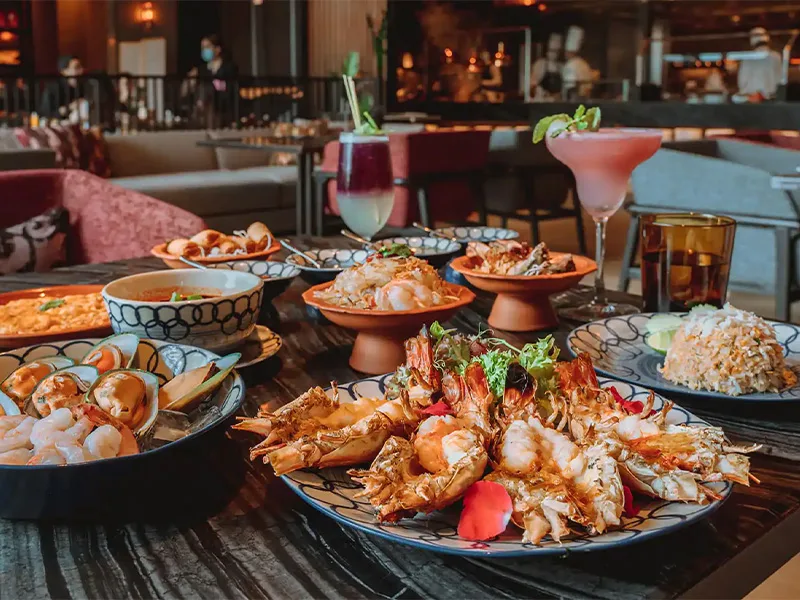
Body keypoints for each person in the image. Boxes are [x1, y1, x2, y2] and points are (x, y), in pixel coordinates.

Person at [183, 34, 239, 127]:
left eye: (207, 47)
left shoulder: (229, 67)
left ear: (217, 49)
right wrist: (190, 79)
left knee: (208, 88)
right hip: (205, 107)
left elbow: (230, 87)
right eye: (203, 48)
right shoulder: (201, 69)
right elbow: (187, 90)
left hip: (222, 104)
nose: (205, 50)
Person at [737, 27, 782, 101]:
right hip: (772, 98)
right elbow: (779, 79)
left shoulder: (747, 57)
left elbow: (742, 81)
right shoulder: (776, 56)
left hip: (752, 98)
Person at [40, 55, 85, 120]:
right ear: (64, 71)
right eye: (76, 67)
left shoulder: (82, 86)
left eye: (80, 67)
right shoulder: (52, 88)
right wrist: (69, 107)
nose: (81, 71)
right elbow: (45, 114)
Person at [562, 26, 593, 100]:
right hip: (585, 102)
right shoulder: (584, 64)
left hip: (574, 102)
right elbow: (589, 88)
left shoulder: (570, 64)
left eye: (566, 52)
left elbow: (571, 88)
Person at [531, 33, 563, 101]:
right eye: (552, 51)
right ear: (547, 51)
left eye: (557, 52)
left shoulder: (560, 66)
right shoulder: (540, 64)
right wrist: (541, 92)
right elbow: (533, 85)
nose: (554, 54)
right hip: (541, 101)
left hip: (556, 102)